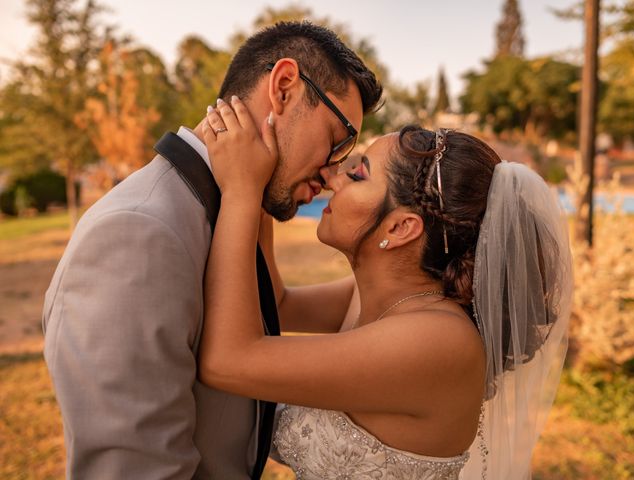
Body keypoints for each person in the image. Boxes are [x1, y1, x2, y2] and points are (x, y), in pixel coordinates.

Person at [41, 22, 382, 479]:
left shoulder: (225, 213)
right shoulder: (136, 234)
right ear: (283, 88)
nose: (332, 172)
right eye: (338, 142)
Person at [198, 99, 573, 479]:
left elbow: (226, 361)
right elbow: (276, 304)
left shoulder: (438, 340)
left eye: (358, 176)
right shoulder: (376, 296)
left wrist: (240, 190)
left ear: (399, 228)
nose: (333, 178)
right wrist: (268, 186)